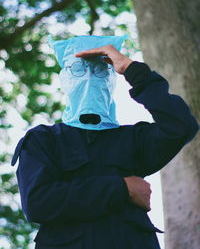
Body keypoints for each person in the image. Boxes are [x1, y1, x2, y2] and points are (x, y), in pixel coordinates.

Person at [11, 35, 198, 249]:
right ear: (64, 79)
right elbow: (38, 203)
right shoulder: (44, 139)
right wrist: (122, 187)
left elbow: (181, 126)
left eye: (100, 71)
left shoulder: (133, 139)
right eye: (78, 70)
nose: (89, 77)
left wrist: (131, 68)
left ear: (111, 79)